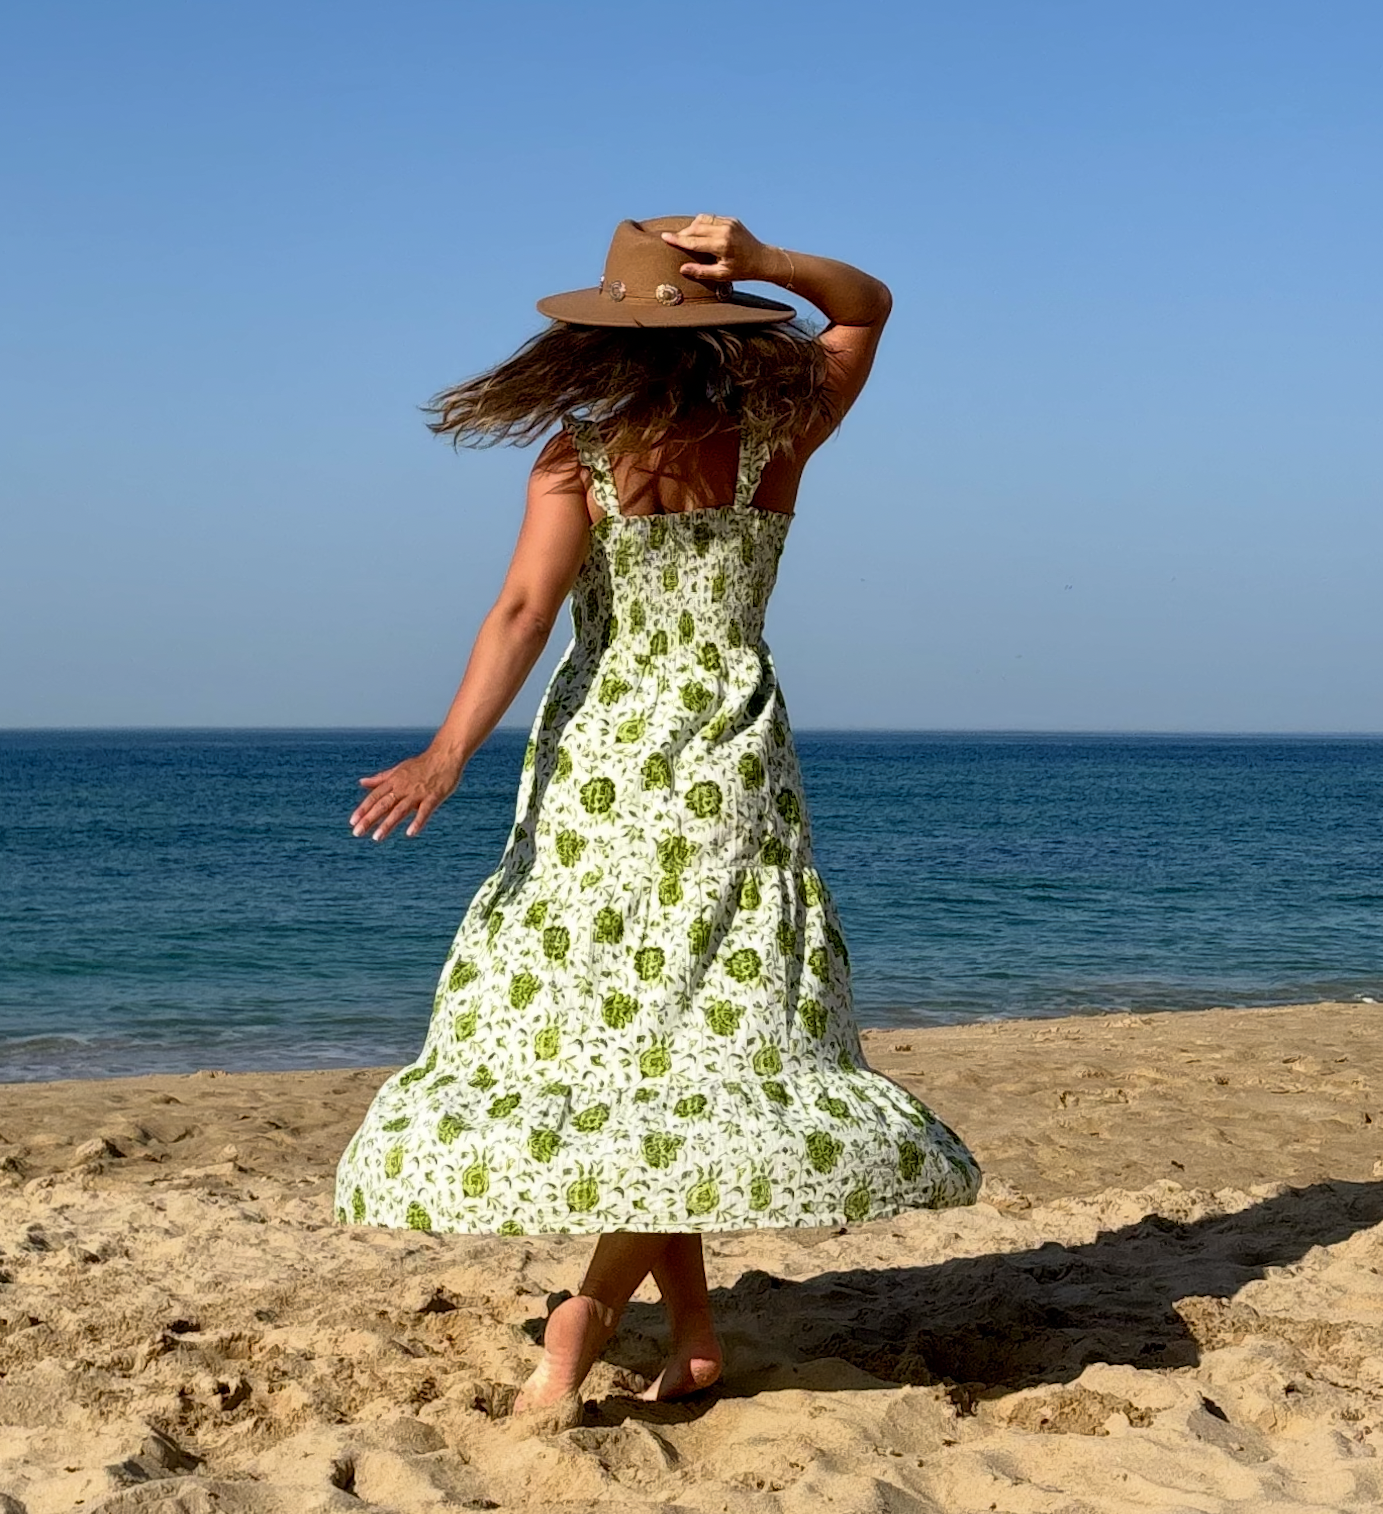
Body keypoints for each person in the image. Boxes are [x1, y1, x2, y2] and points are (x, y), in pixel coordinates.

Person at [335, 215, 981, 1413]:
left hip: (600, 766)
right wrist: (773, 261)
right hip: (729, 765)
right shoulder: (778, 434)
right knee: (692, 1045)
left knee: (638, 1045)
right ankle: (690, 1335)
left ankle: (577, 1322)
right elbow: (869, 305)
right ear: (725, 323)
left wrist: (446, 751)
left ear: (606, 335)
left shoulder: (572, 453)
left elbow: (526, 610)